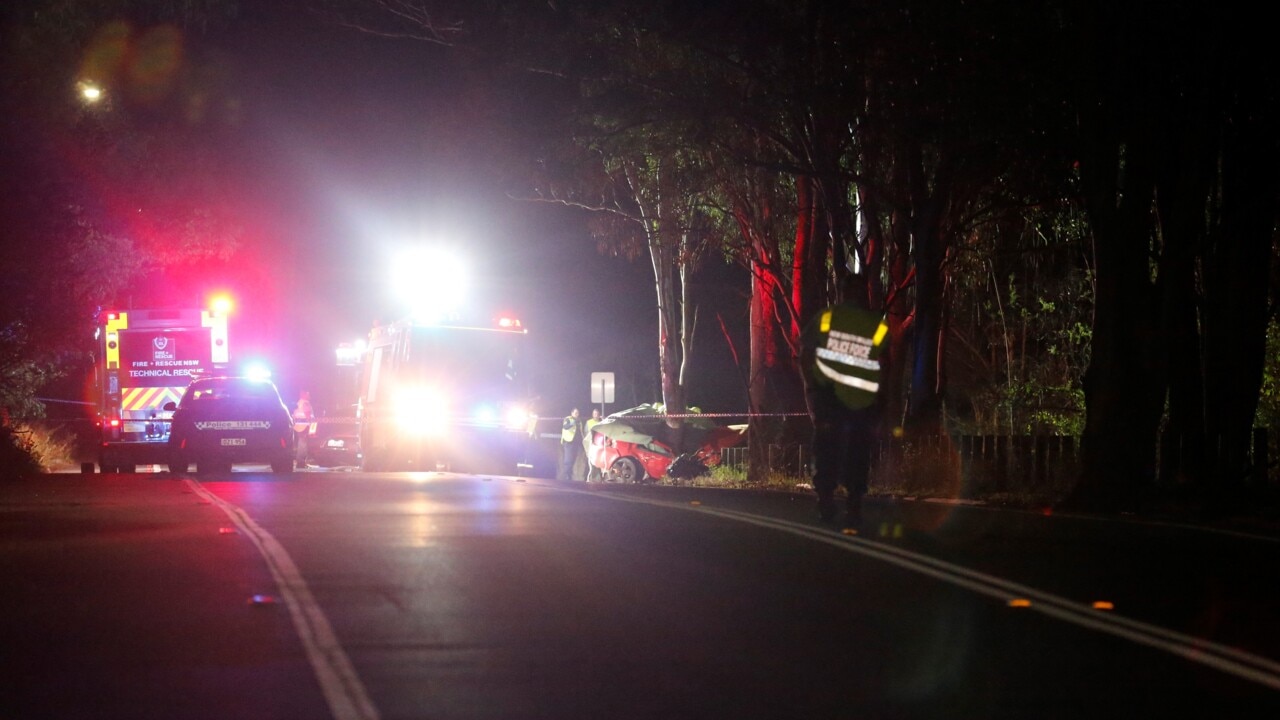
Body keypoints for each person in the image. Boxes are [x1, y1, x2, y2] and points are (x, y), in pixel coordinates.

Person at [800, 274, 889, 527]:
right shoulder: (876, 324)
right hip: (862, 399)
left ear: (840, 292)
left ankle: (826, 500)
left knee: (826, 449)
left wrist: (811, 387)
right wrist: (883, 396)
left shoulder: (826, 319)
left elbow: (805, 353)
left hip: (829, 398)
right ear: (864, 293)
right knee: (859, 452)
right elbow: (886, 363)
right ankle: (854, 503)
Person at [559, 407, 583, 481]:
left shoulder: (579, 421)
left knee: (573, 458)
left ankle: (569, 473)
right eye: (575, 413)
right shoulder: (568, 419)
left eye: (578, 413)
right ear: (572, 413)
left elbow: (580, 431)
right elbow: (565, 427)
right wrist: (573, 422)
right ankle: (567, 475)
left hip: (576, 443)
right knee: (568, 459)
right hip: (568, 441)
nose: (577, 414)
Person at [293, 390, 315, 470]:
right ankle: (301, 463)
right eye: (308, 394)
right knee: (303, 445)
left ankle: (300, 462)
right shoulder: (305, 403)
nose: (310, 396)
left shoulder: (298, 403)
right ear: (305, 394)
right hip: (305, 426)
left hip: (298, 426)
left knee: (301, 444)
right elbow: (308, 415)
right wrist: (312, 426)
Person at [583, 408, 604, 481]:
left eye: (597, 414)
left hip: (598, 445)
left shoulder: (602, 422)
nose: (596, 415)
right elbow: (585, 433)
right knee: (589, 462)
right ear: (592, 415)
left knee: (598, 461)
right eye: (594, 414)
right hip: (590, 445)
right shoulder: (589, 422)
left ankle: (599, 478)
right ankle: (587, 478)